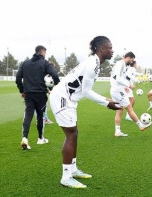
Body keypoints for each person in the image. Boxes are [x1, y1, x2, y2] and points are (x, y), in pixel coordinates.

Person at [49, 36, 120, 188]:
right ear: (102, 49)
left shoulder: (94, 62)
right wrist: (107, 103)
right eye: (110, 48)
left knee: (74, 133)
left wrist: (105, 99)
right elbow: (86, 91)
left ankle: (73, 170)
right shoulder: (92, 64)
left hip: (70, 99)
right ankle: (66, 177)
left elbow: (84, 89)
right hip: (62, 97)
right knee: (71, 134)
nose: (112, 51)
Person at [16, 45, 60, 150]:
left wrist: (22, 90)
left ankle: (25, 138)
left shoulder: (25, 63)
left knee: (28, 115)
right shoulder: (45, 63)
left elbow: (18, 78)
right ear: (43, 52)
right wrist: (56, 88)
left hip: (29, 94)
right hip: (40, 94)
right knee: (40, 117)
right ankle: (40, 139)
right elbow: (55, 75)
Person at [111, 52, 152, 137]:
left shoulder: (122, 65)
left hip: (117, 89)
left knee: (119, 111)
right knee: (129, 108)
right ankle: (141, 125)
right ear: (129, 57)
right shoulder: (120, 64)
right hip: (118, 91)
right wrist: (129, 85)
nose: (132, 61)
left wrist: (124, 86)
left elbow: (121, 78)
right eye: (132, 59)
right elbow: (116, 77)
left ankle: (117, 131)